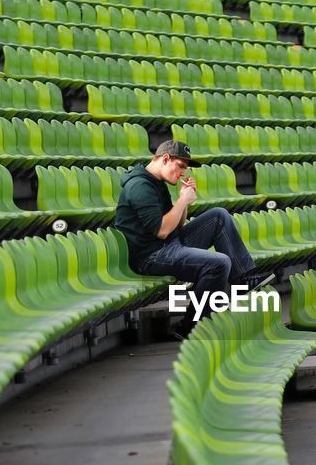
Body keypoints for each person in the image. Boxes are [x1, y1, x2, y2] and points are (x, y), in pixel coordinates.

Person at [113, 139, 272, 335]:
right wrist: (182, 200)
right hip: (150, 256)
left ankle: (245, 280)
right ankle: (190, 326)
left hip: (168, 243)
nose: (182, 173)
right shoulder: (139, 186)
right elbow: (162, 230)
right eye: (180, 167)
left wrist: (184, 200)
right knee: (219, 263)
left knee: (218, 216)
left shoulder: (156, 182)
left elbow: (177, 224)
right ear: (164, 159)